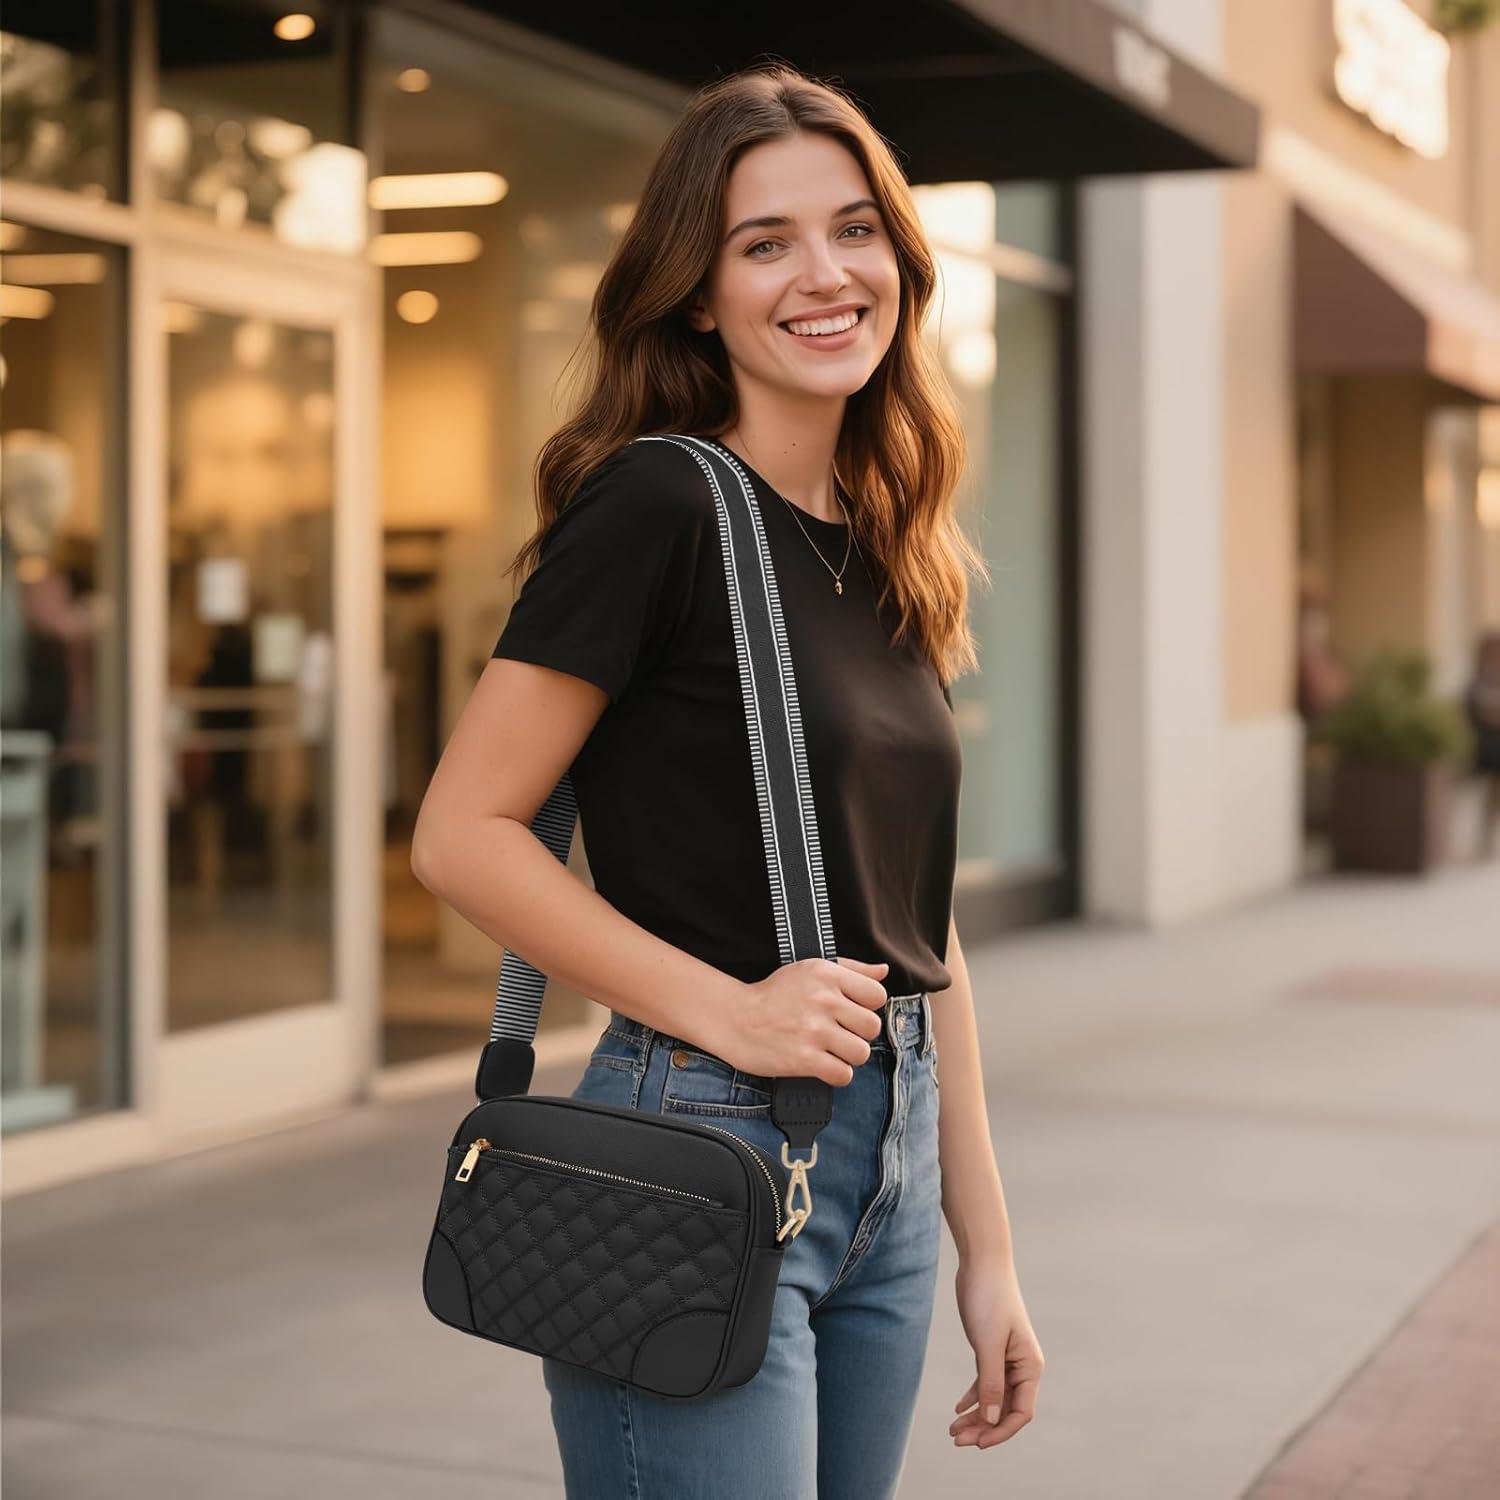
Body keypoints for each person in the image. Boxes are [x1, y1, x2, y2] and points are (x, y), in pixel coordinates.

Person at [411, 62, 1043, 1498]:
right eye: (766, 244)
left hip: (889, 1158)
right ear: (700, 291)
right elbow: (462, 833)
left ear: (898, 256)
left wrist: (987, 1249)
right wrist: (727, 1008)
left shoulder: (888, 547)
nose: (824, 274)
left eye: (854, 229)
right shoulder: (659, 504)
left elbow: (918, 937)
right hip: (699, 1131)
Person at [1464, 630, 1500, 860]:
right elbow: (1479, 710)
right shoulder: (1479, 679)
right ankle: (1484, 841)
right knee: (1488, 795)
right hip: (1487, 746)